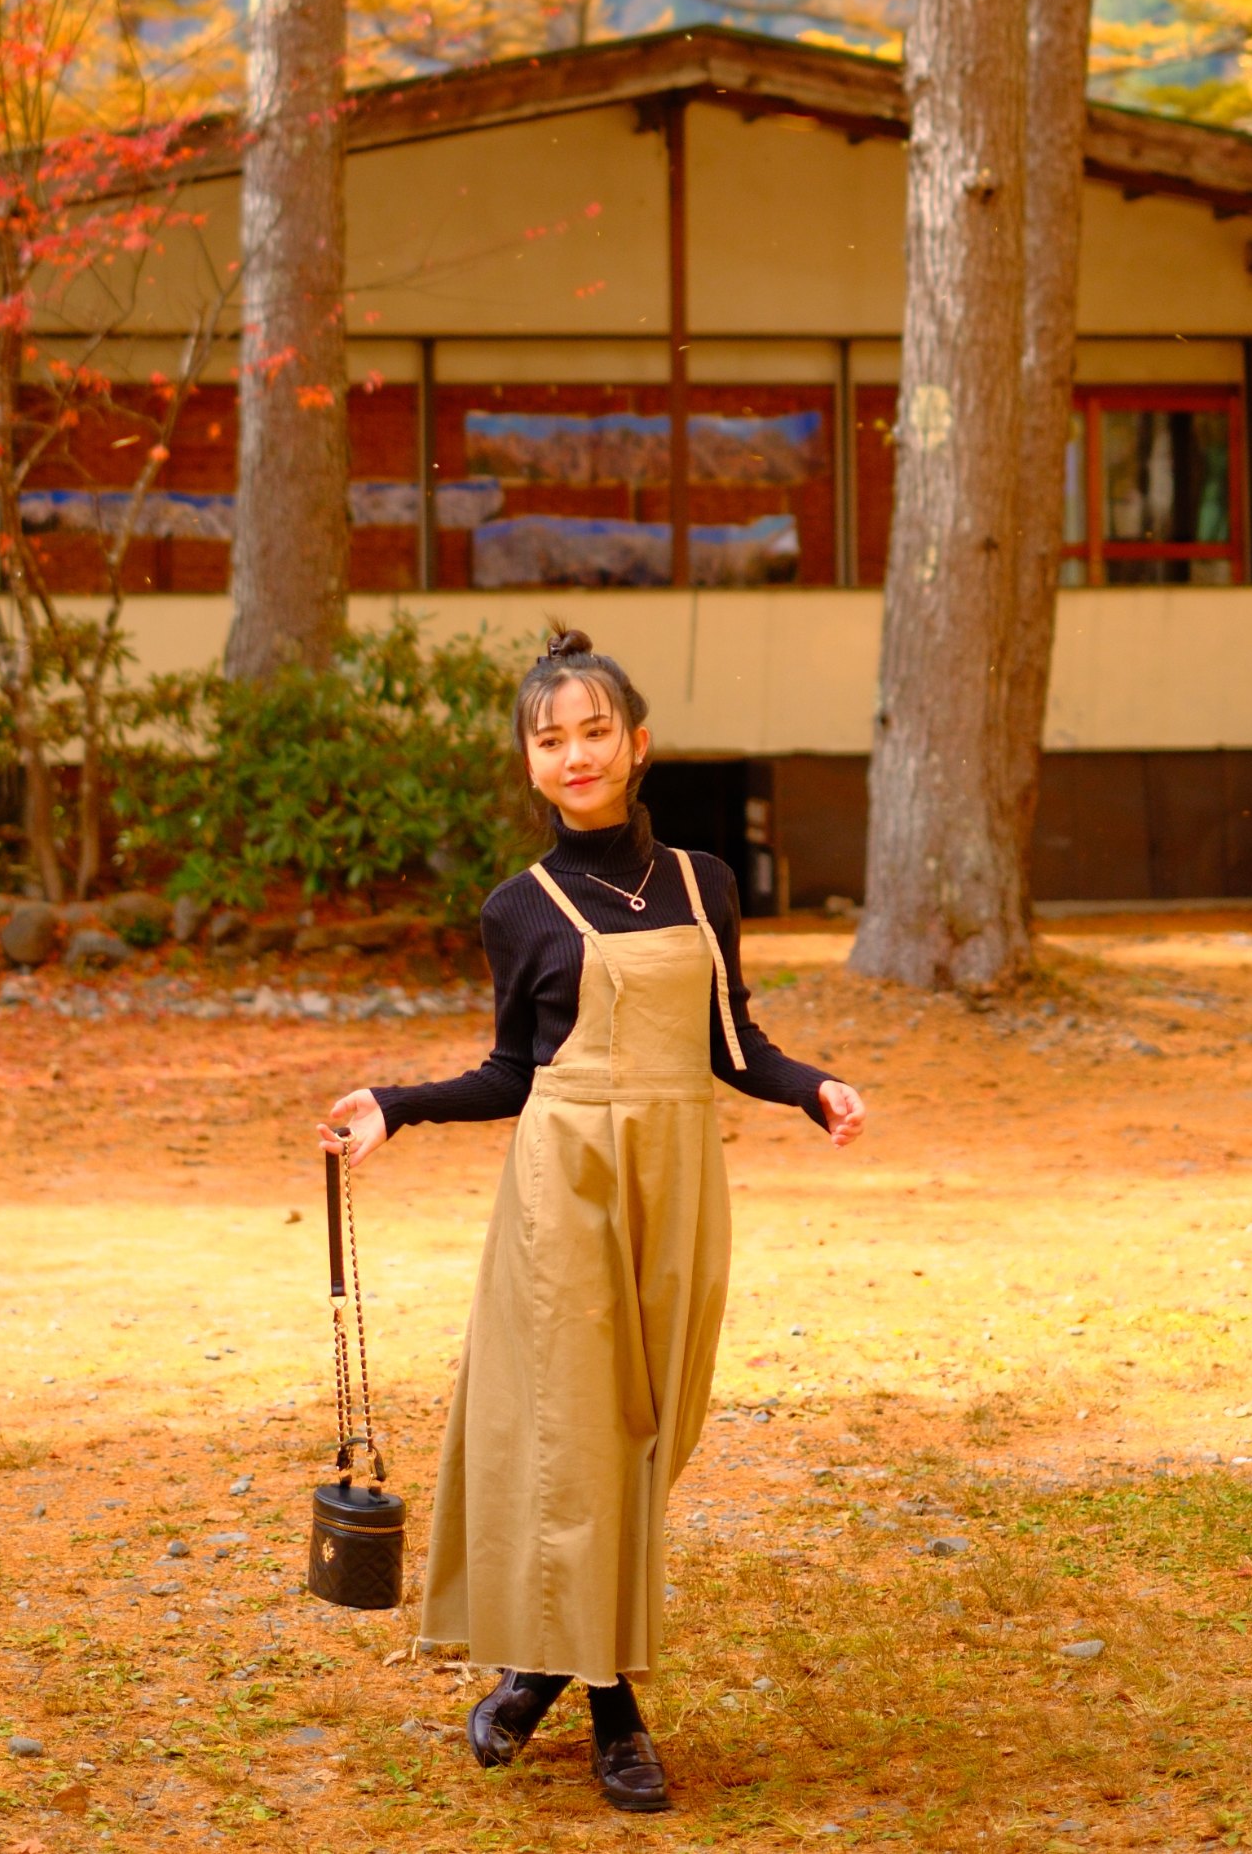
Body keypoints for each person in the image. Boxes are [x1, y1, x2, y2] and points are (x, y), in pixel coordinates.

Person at [321, 624, 865, 1815]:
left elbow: (735, 1046)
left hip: (677, 1181)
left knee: (648, 1438)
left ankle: (534, 1677)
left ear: (638, 743)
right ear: (529, 763)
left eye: (594, 732)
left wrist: (810, 1086)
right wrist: (398, 1107)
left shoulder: (701, 883)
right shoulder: (518, 907)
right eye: (550, 738)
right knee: (583, 1445)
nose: (575, 754)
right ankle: (617, 1715)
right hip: (563, 1192)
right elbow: (514, 1070)